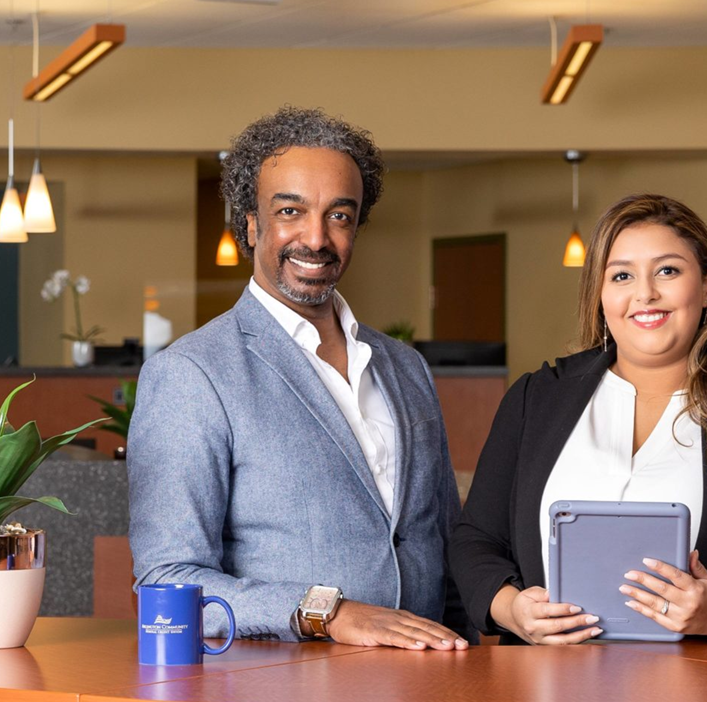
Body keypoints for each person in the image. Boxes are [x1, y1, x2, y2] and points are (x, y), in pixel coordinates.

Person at [127, 107, 470, 649]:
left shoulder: (405, 367)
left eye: (339, 215)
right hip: (289, 697)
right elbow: (166, 581)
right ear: (251, 224)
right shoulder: (191, 374)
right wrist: (327, 612)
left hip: (429, 692)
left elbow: (445, 550)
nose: (317, 238)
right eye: (291, 211)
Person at [449, 194, 707, 644]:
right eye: (622, 275)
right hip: (543, 690)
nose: (645, 293)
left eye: (667, 270)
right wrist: (510, 609)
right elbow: (475, 541)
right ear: (601, 296)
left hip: (699, 692)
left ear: (706, 286)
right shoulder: (534, 399)